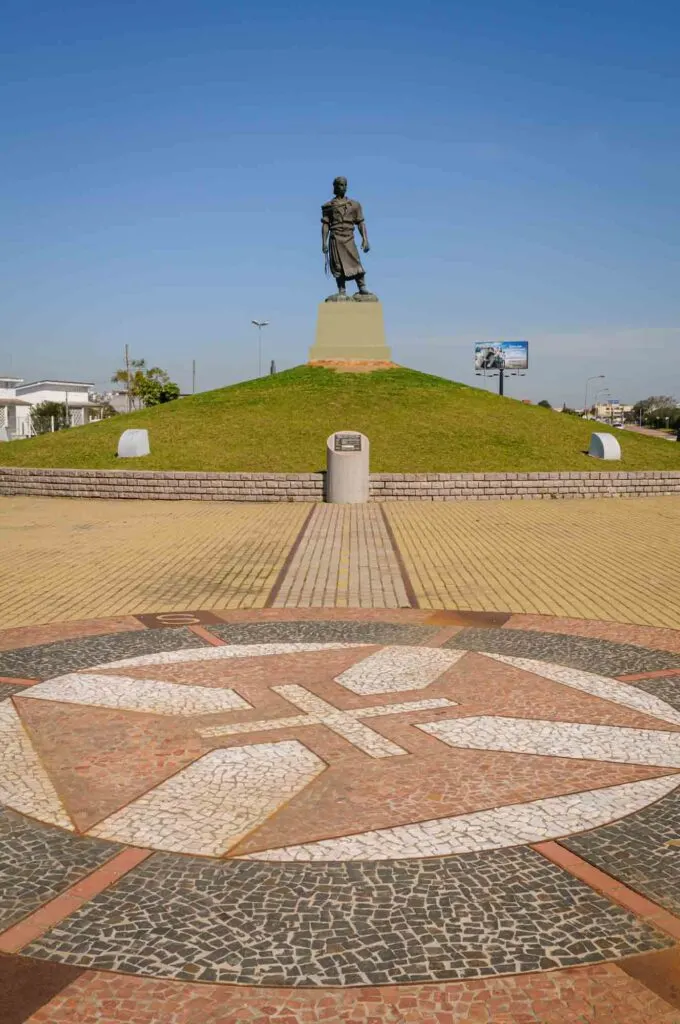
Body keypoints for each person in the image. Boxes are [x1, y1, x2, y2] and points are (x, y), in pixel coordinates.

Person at [321, 176, 372, 298]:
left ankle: (362, 286)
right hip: (335, 238)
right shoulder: (329, 206)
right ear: (335, 187)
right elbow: (325, 225)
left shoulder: (354, 205)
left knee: (355, 261)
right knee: (337, 264)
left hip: (349, 237)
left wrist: (365, 239)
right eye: (340, 185)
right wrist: (324, 242)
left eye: (344, 185)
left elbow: (360, 222)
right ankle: (342, 290)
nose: (343, 187)